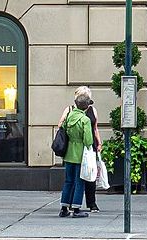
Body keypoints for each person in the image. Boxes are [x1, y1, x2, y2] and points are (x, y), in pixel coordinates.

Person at [56, 88, 95, 218]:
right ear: (86, 106)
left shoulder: (69, 116)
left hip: (68, 153)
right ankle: (76, 209)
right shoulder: (85, 120)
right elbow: (88, 140)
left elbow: (63, 129)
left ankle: (64, 208)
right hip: (80, 154)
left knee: (68, 181)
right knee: (80, 182)